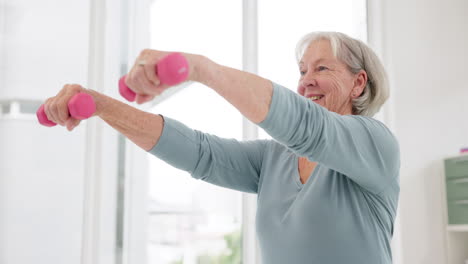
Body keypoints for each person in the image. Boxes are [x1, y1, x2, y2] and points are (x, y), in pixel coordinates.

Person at [43, 31, 400, 264]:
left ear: (358, 83)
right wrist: (100, 105)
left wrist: (200, 69)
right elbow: (199, 152)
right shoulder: (275, 159)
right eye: (302, 70)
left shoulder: (374, 144)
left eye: (321, 68)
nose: (306, 81)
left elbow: (306, 126)